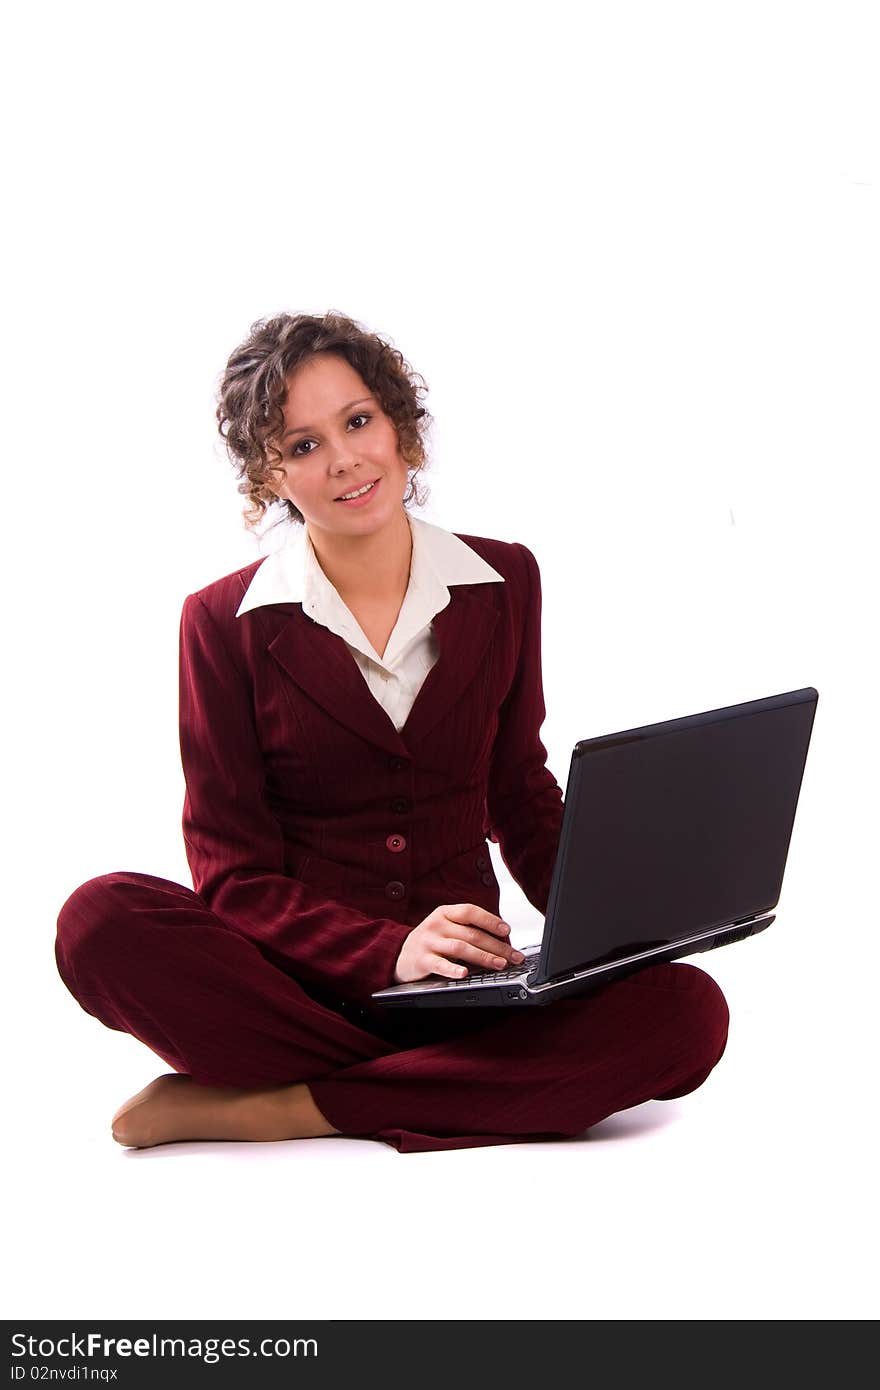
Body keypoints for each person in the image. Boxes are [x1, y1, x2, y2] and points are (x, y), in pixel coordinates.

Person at [54, 310, 730, 1153]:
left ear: (401, 429)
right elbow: (233, 875)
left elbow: (517, 794)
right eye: (302, 447)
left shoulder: (505, 579)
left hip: (476, 992)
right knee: (99, 920)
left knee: (689, 1013)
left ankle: (291, 1105)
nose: (343, 460)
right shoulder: (221, 623)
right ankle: (453, 1089)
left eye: (359, 421)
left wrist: (623, 926)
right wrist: (388, 953)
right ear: (270, 480)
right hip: (299, 994)